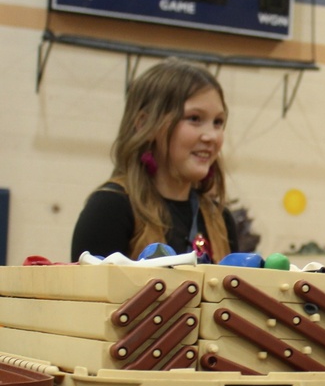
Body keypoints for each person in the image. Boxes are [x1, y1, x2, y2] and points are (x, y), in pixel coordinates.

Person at [71, 58, 239, 263]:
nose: (211, 136)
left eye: (218, 122)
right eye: (194, 118)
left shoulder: (221, 220)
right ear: (144, 124)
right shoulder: (110, 208)